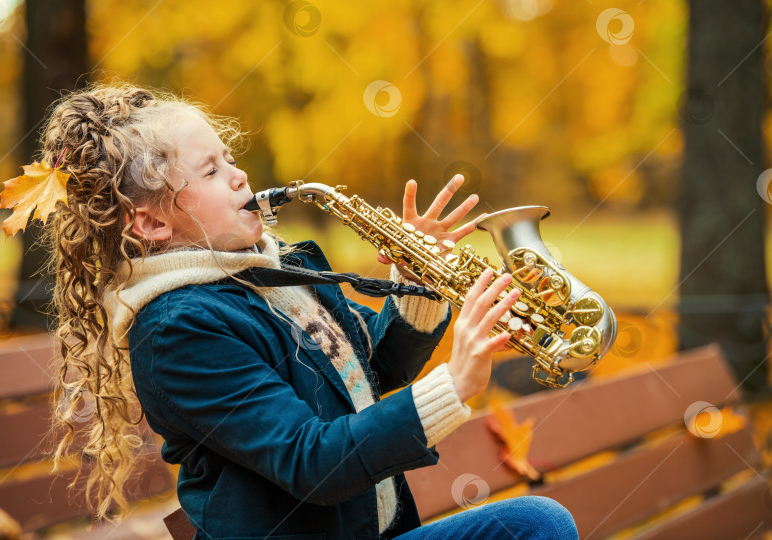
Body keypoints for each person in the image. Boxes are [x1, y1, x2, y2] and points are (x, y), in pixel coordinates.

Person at [38, 85, 578, 539]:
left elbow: (376, 370)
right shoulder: (177, 329)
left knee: (535, 523)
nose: (239, 176)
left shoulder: (277, 273)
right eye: (209, 171)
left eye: (229, 157)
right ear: (151, 224)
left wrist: (416, 284)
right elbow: (311, 462)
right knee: (538, 524)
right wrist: (456, 383)